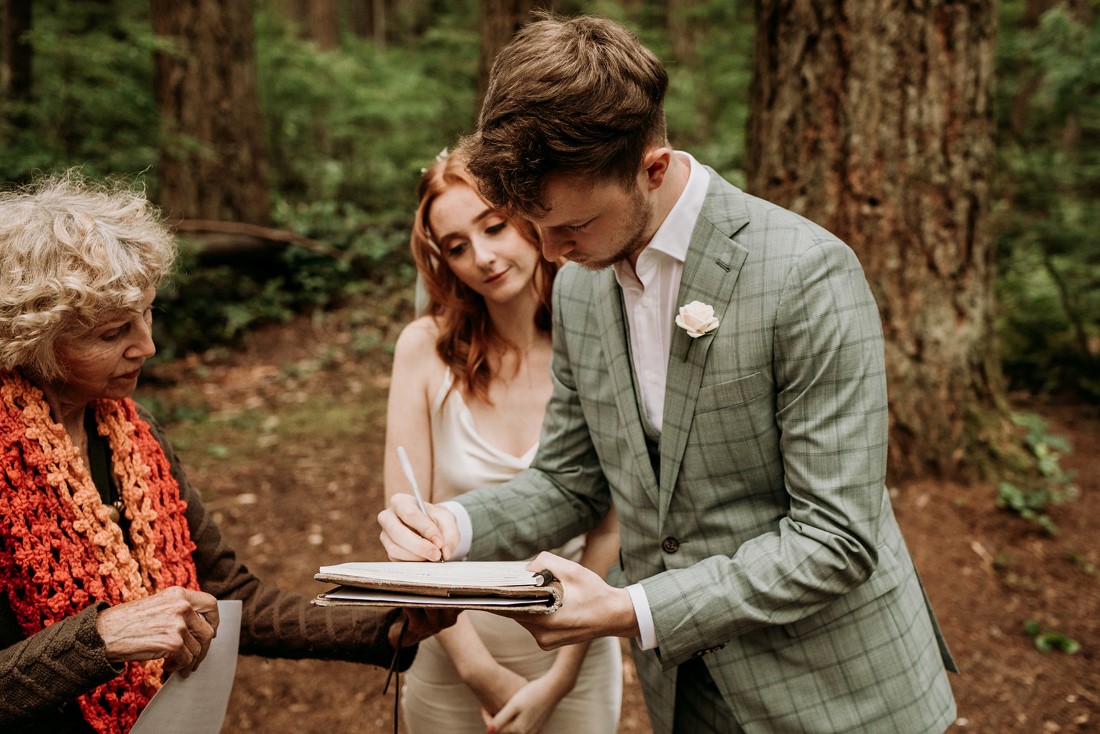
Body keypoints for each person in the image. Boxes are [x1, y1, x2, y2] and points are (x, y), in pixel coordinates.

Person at [378, 13, 959, 734]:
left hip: (836, 694)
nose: (551, 255)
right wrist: (451, 525)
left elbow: (836, 538)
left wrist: (630, 609)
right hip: (684, 695)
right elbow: (571, 479)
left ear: (652, 168)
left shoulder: (807, 275)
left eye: (572, 227)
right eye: (537, 227)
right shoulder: (586, 289)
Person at [0, 170, 455, 734]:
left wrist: (387, 626)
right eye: (113, 332)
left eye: (147, 313)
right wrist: (100, 639)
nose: (148, 345)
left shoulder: (133, 435)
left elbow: (231, 596)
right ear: (32, 338)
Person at [383, 147, 622, 734]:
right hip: (452, 644)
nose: (483, 257)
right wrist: (480, 673)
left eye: (493, 226)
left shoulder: (599, 342)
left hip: (575, 643)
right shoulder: (423, 350)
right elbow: (409, 523)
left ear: (527, 214)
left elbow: (613, 526)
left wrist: (558, 680)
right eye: (458, 246)